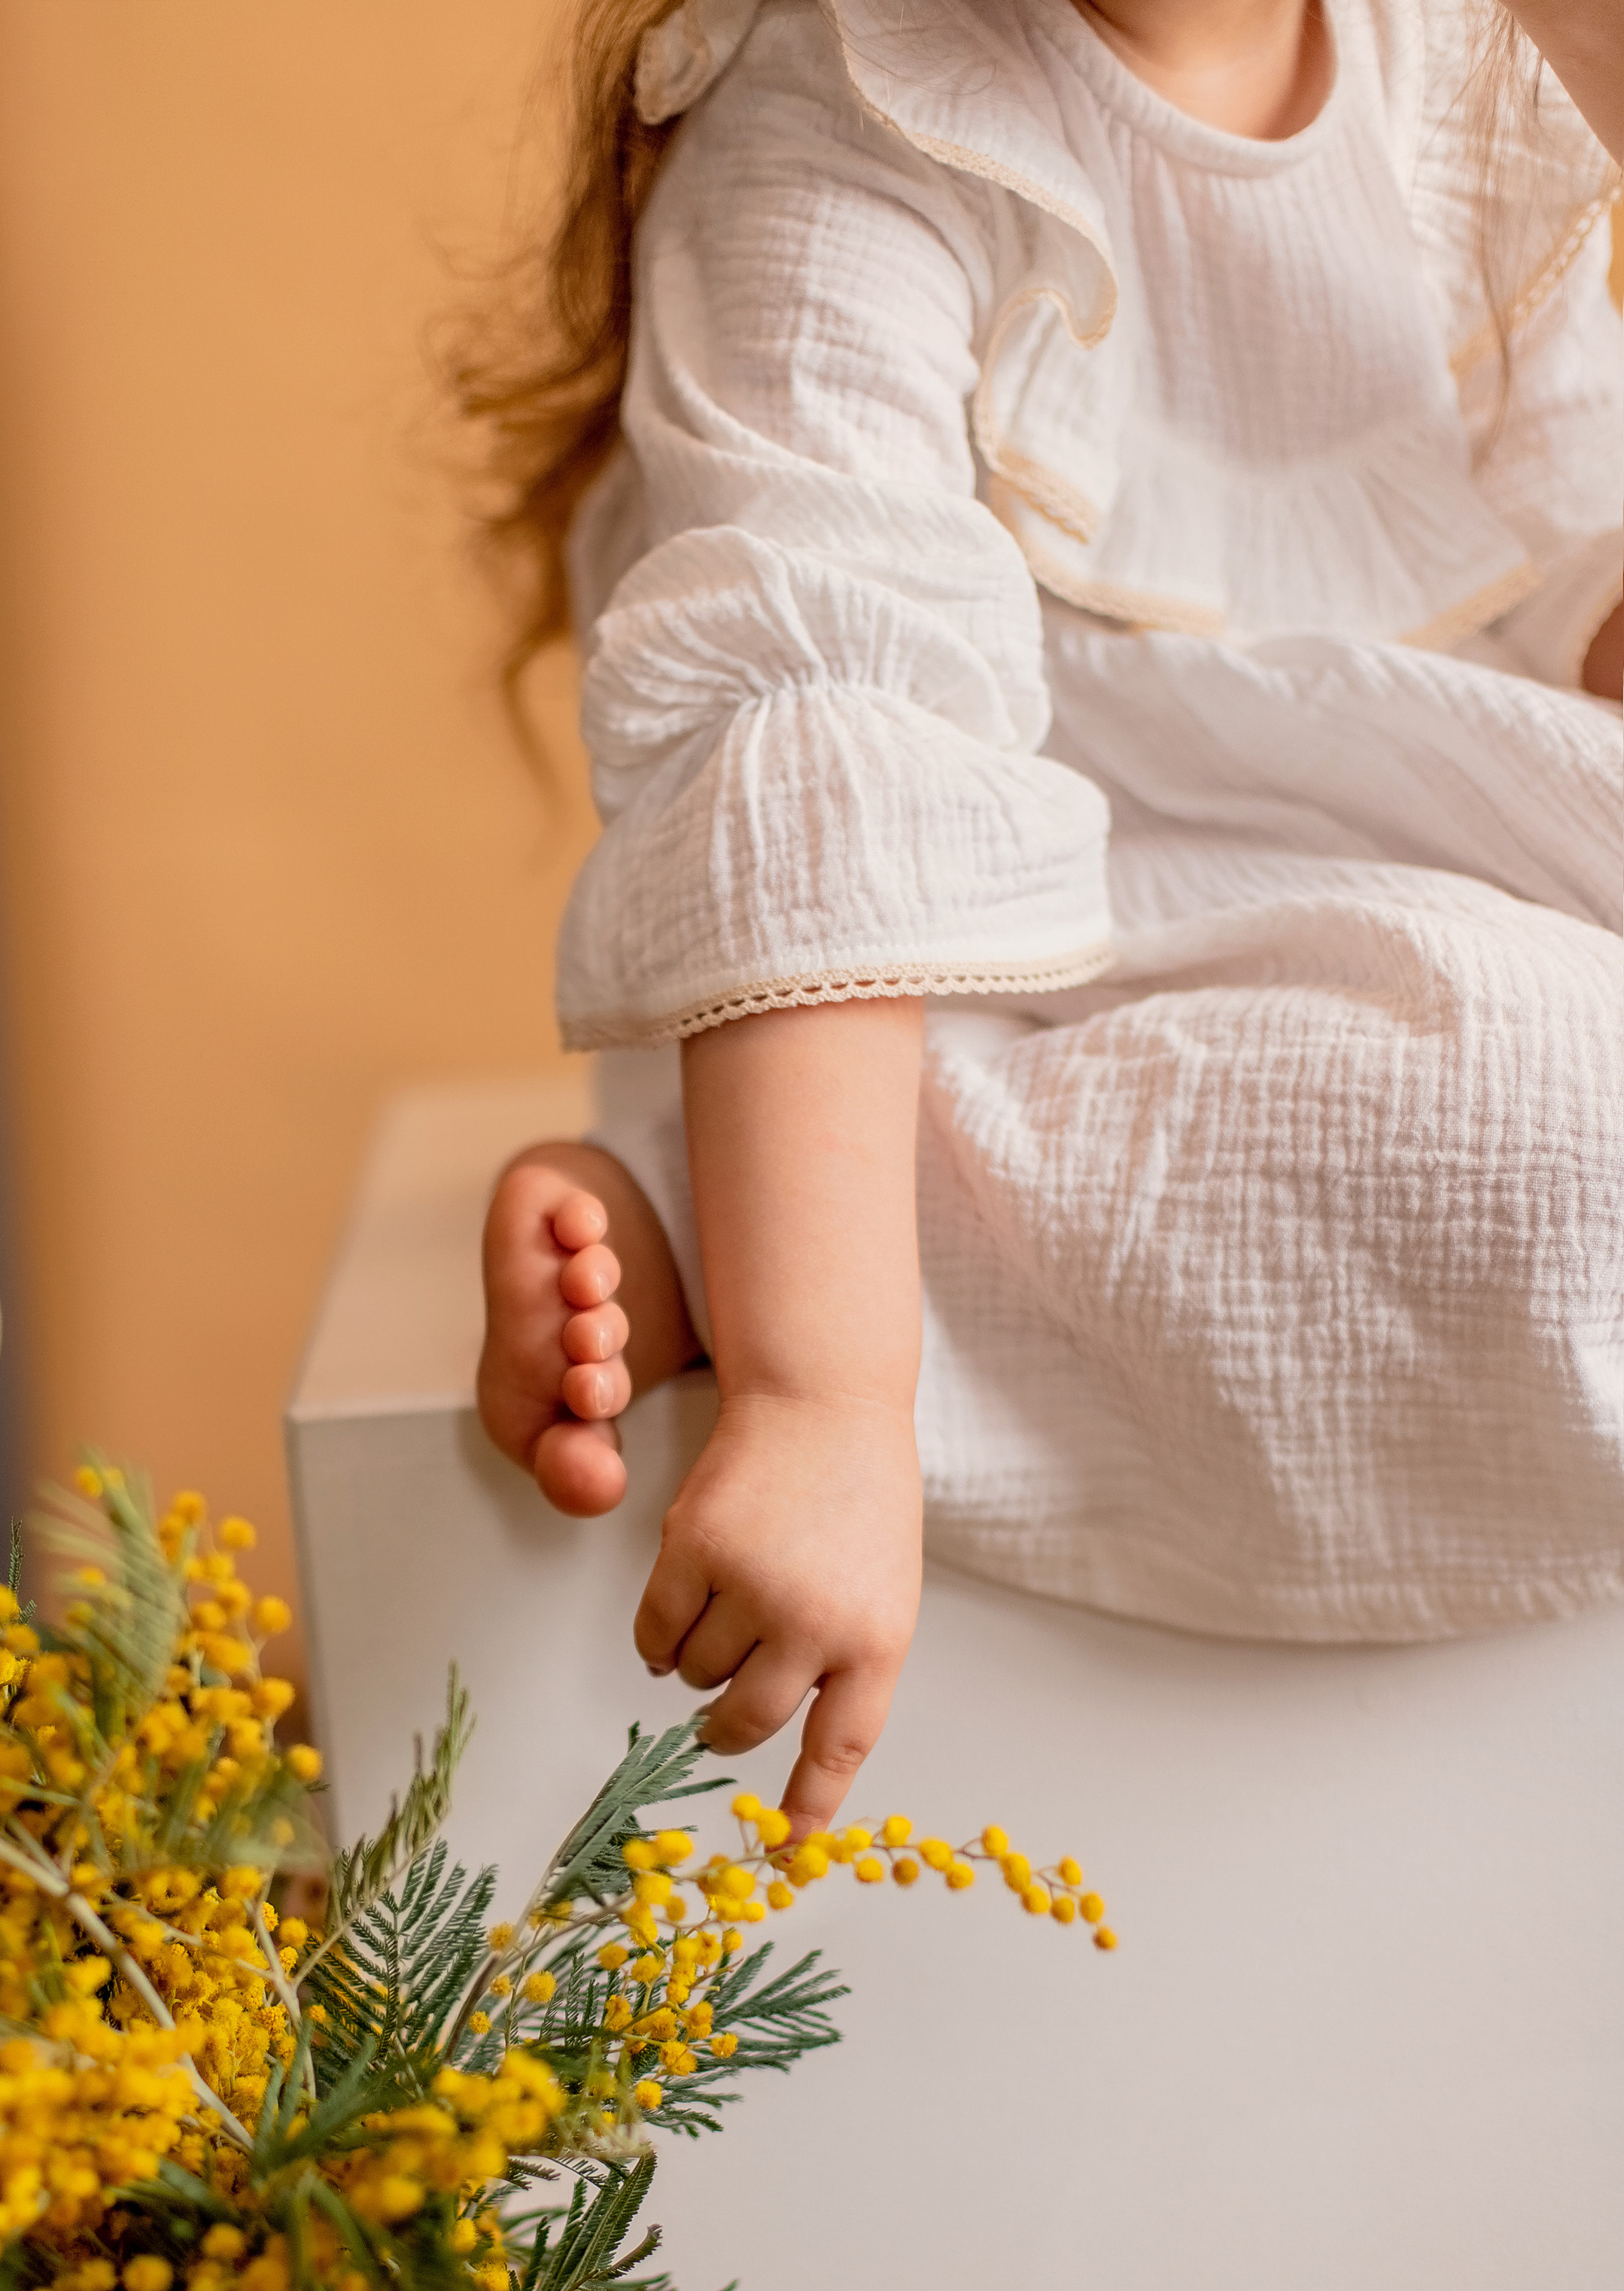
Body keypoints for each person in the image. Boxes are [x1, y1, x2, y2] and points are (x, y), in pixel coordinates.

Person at [470, 0, 1624, 1827]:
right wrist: (821, 1401)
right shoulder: (851, 109)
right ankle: (762, 1248)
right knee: (1546, 1103)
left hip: (1388, 781)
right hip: (1018, 906)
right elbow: (823, 729)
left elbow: (1561, 541)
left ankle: (724, 1227)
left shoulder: (1452, 54)